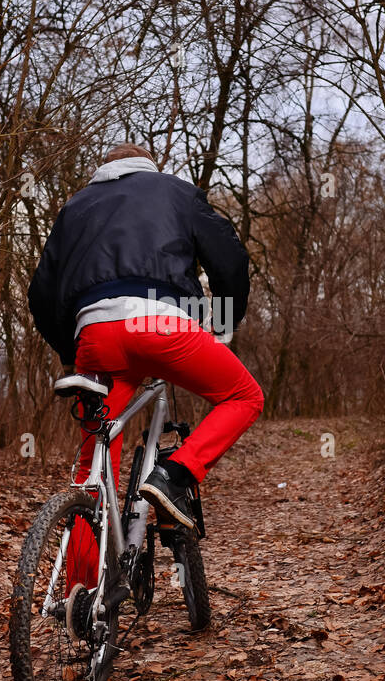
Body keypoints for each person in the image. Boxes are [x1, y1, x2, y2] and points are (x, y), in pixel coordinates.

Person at [28, 142, 262, 589]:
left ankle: (83, 595)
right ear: (149, 166)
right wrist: (227, 321)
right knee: (244, 396)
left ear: (105, 168)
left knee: (94, 463)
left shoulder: (74, 207)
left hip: (95, 338)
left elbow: (41, 294)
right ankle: (173, 474)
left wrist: (72, 352)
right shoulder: (176, 192)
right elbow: (229, 260)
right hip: (162, 325)